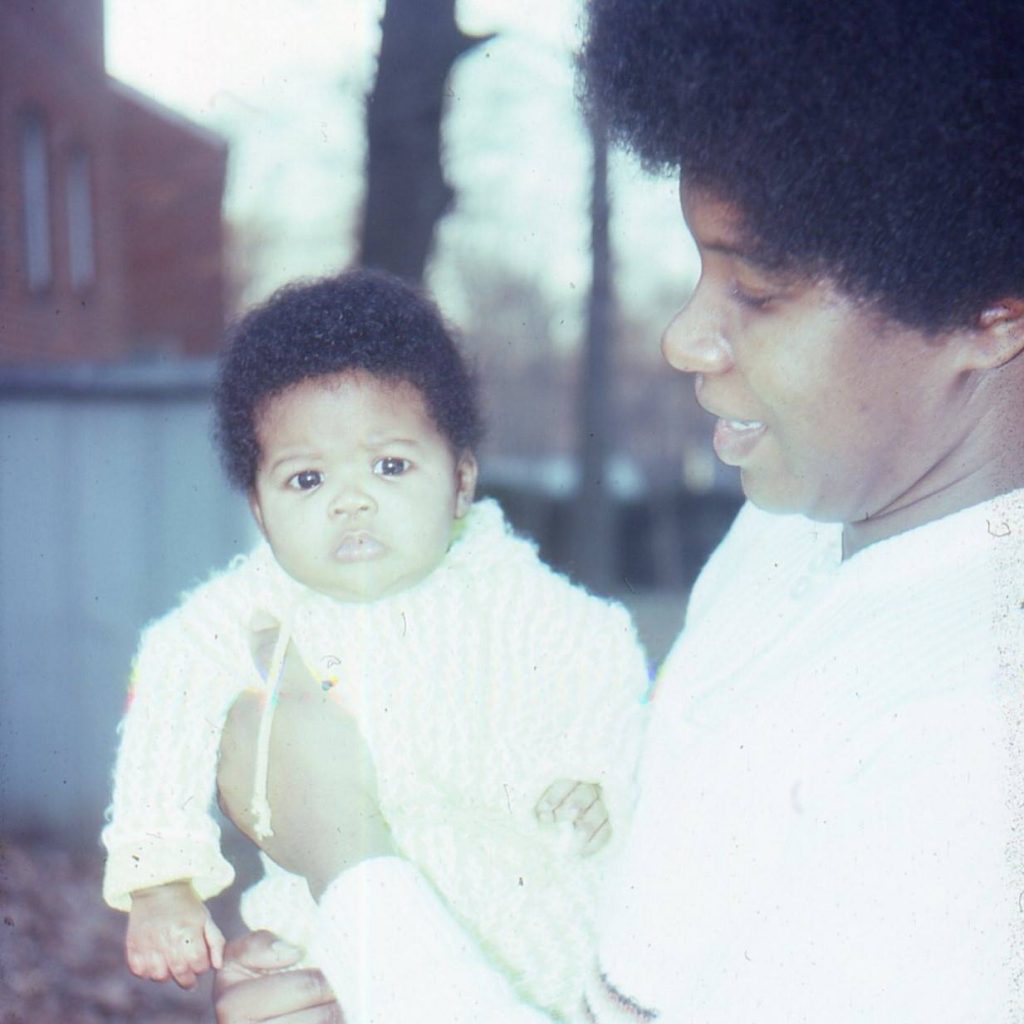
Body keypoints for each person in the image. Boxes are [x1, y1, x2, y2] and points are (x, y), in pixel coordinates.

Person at [212, 0, 1024, 1021]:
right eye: (700, 268)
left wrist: (351, 863)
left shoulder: (980, 730)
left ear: (987, 317)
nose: (685, 337)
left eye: (759, 290)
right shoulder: (789, 528)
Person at [100, 269, 649, 1017]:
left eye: (391, 466)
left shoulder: (507, 590)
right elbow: (166, 695)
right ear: (259, 509)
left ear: (459, 482)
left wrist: (594, 771)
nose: (352, 500)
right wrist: (160, 876)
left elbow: (604, 655)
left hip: (525, 926)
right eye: (306, 480)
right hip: (330, 937)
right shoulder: (252, 611)